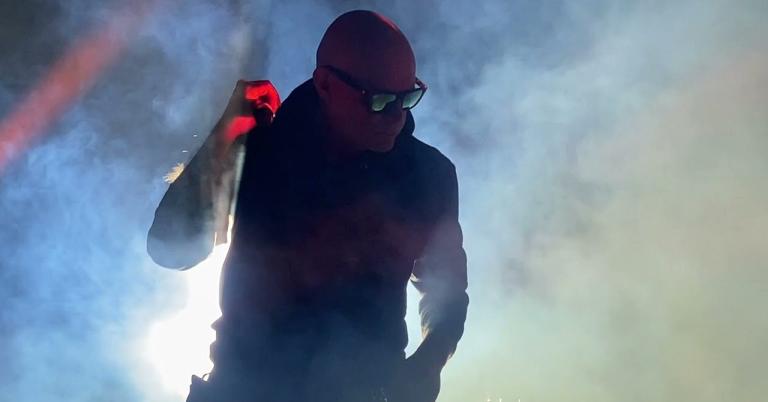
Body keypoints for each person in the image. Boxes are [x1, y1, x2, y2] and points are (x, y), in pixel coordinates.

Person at [147, 10, 468, 402]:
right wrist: (224, 134)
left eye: (408, 98)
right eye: (380, 100)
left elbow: (448, 294)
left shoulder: (428, 175)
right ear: (326, 84)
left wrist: (429, 363)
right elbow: (170, 249)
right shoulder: (260, 150)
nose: (396, 117)